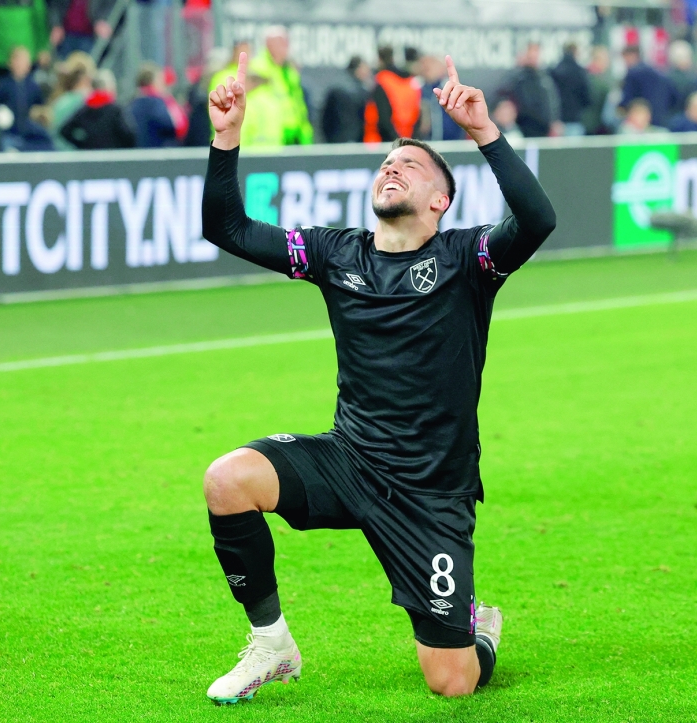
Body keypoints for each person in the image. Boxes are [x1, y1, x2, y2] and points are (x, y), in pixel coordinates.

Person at [199, 52, 555, 704]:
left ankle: (480, 629)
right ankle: (271, 642)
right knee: (227, 479)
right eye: (388, 161)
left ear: (439, 199)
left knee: (452, 682)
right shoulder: (337, 254)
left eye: (411, 165)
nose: (393, 166)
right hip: (349, 459)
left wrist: (483, 131)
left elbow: (537, 220)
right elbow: (224, 226)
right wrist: (227, 137)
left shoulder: (468, 258)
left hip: (430, 493)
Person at [248, 26, 312, 145]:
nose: (286, 47)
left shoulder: (289, 70)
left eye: (286, 42)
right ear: (269, 44)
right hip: (272, 136)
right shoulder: (258, 68)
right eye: (281, 43)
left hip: (296, 136)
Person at [60, 69, 135, 149]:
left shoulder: (84, 110)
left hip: (91, 157)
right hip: (112, 157)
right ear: (108, 88)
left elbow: (64, 131)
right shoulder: (115, 111)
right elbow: (129, 135)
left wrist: (82, 145)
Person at [363, 44, 421, 142]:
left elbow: (384, 120)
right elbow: (417, 117)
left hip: (382, 144)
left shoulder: (382, 80)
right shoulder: (412, 83)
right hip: (408, 141)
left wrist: (398, 142)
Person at [503, 42, 561, 137]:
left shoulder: (544, 76)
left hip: (544, 128)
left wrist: (554, 120)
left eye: (536, 53)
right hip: (526, 127)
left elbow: (552, 100)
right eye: (531, 53)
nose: (534, 57)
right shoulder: (519, 77)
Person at [619, 44, 679, 128]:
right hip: (662, 119)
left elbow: (626, 100)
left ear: (632, 55)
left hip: (641, 121)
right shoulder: (658, 72)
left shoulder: (632, 73)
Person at [128, 61, 187, 147]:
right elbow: (177, 126)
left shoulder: (132, 103)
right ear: (153, 82)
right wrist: (170, 101)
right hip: (159, 154)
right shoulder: (157, 104)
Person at [0, 45, 44, 143]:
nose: (20, 64)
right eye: (17, 60)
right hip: (8, 133)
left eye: (23, 61)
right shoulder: (3, 85)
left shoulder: (34, 87)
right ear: (10, 62)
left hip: (30, 133)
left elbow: (39, 108)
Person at [321, 55, 370, 143]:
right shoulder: (361, 92)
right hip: (357, 140)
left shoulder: (335, 87)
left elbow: (326, 118)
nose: (368, 73)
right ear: (358, 69)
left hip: (335, 140)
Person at [417, 54, 466, 141]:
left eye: (432, 62)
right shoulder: (416, 90)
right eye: (423, 62)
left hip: (453, 144)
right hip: (425, 145)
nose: (426, 66)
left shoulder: (454, 89)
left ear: (443, 67)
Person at [48, 0, 114, 59]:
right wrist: (56, 24)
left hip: (89, 37)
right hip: (65, 36)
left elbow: (110, 6)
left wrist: (102, 20)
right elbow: (54, 5)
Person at [549, 42, 590, 136]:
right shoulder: (580, 72)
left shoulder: (555, 71)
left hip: (557, 121)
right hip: (575, 118)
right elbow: (587, 96)